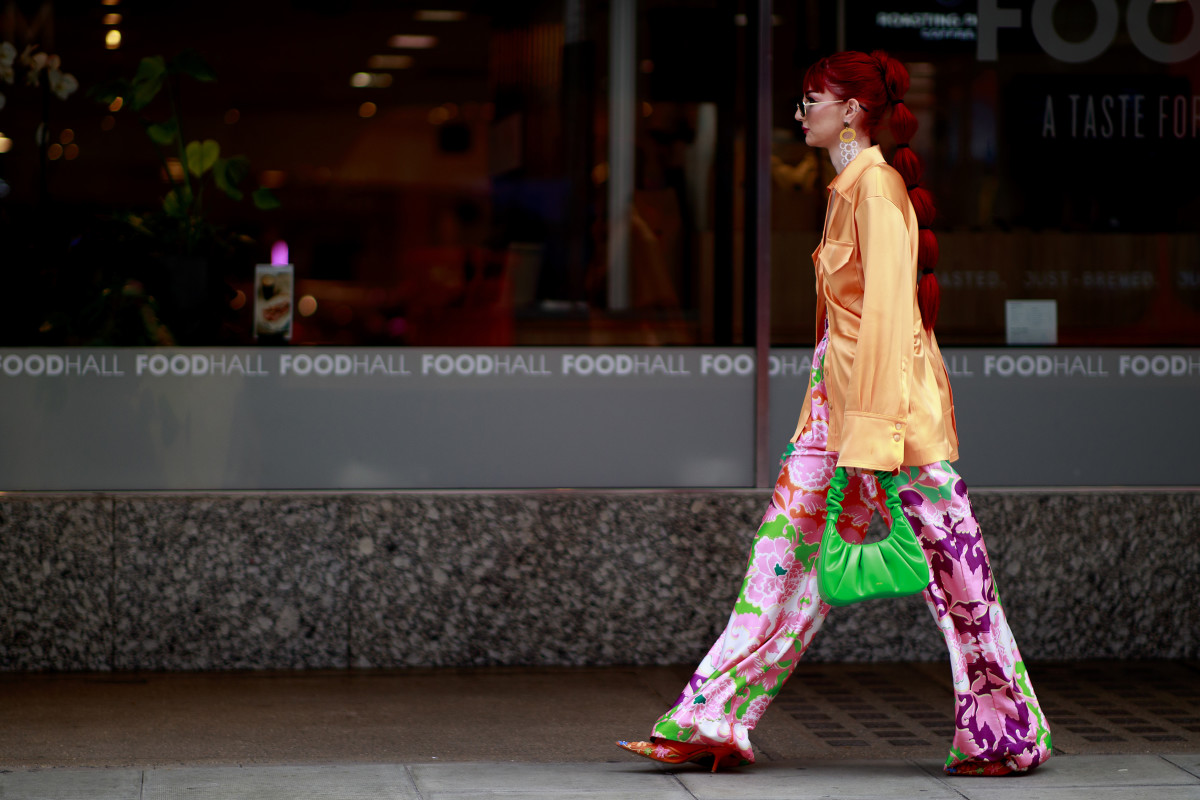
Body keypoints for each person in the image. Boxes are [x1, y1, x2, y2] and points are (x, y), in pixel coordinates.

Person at [616, 50, 1052, 777]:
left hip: (887, 427)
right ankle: (708, 720)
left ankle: (1008, 735)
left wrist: (869, 445)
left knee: (959, 585)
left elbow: (885, 321)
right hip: (837, 418)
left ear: (850, 110)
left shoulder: (874, 191)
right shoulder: (852, 187)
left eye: (810, 99)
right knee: (779, 566)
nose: (800, 113)